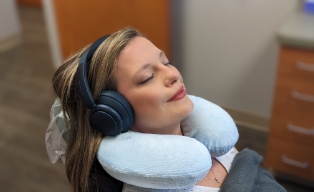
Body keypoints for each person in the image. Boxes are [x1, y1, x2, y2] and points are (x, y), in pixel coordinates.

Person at [51, 27, 286, 192]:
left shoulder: (212, 138)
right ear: (113, 113)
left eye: (166, 63)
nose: (173, 74)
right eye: (147, 77)